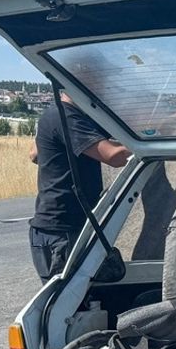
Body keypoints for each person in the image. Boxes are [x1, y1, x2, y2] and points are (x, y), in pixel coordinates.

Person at [28, 93, 132, 281]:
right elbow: (114, 157)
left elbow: (34, 154)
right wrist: (147, 141)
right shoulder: (66, 116)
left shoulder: (65, 115)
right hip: (63, 230)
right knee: (71, 303)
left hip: (63, 225)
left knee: (83, 299)